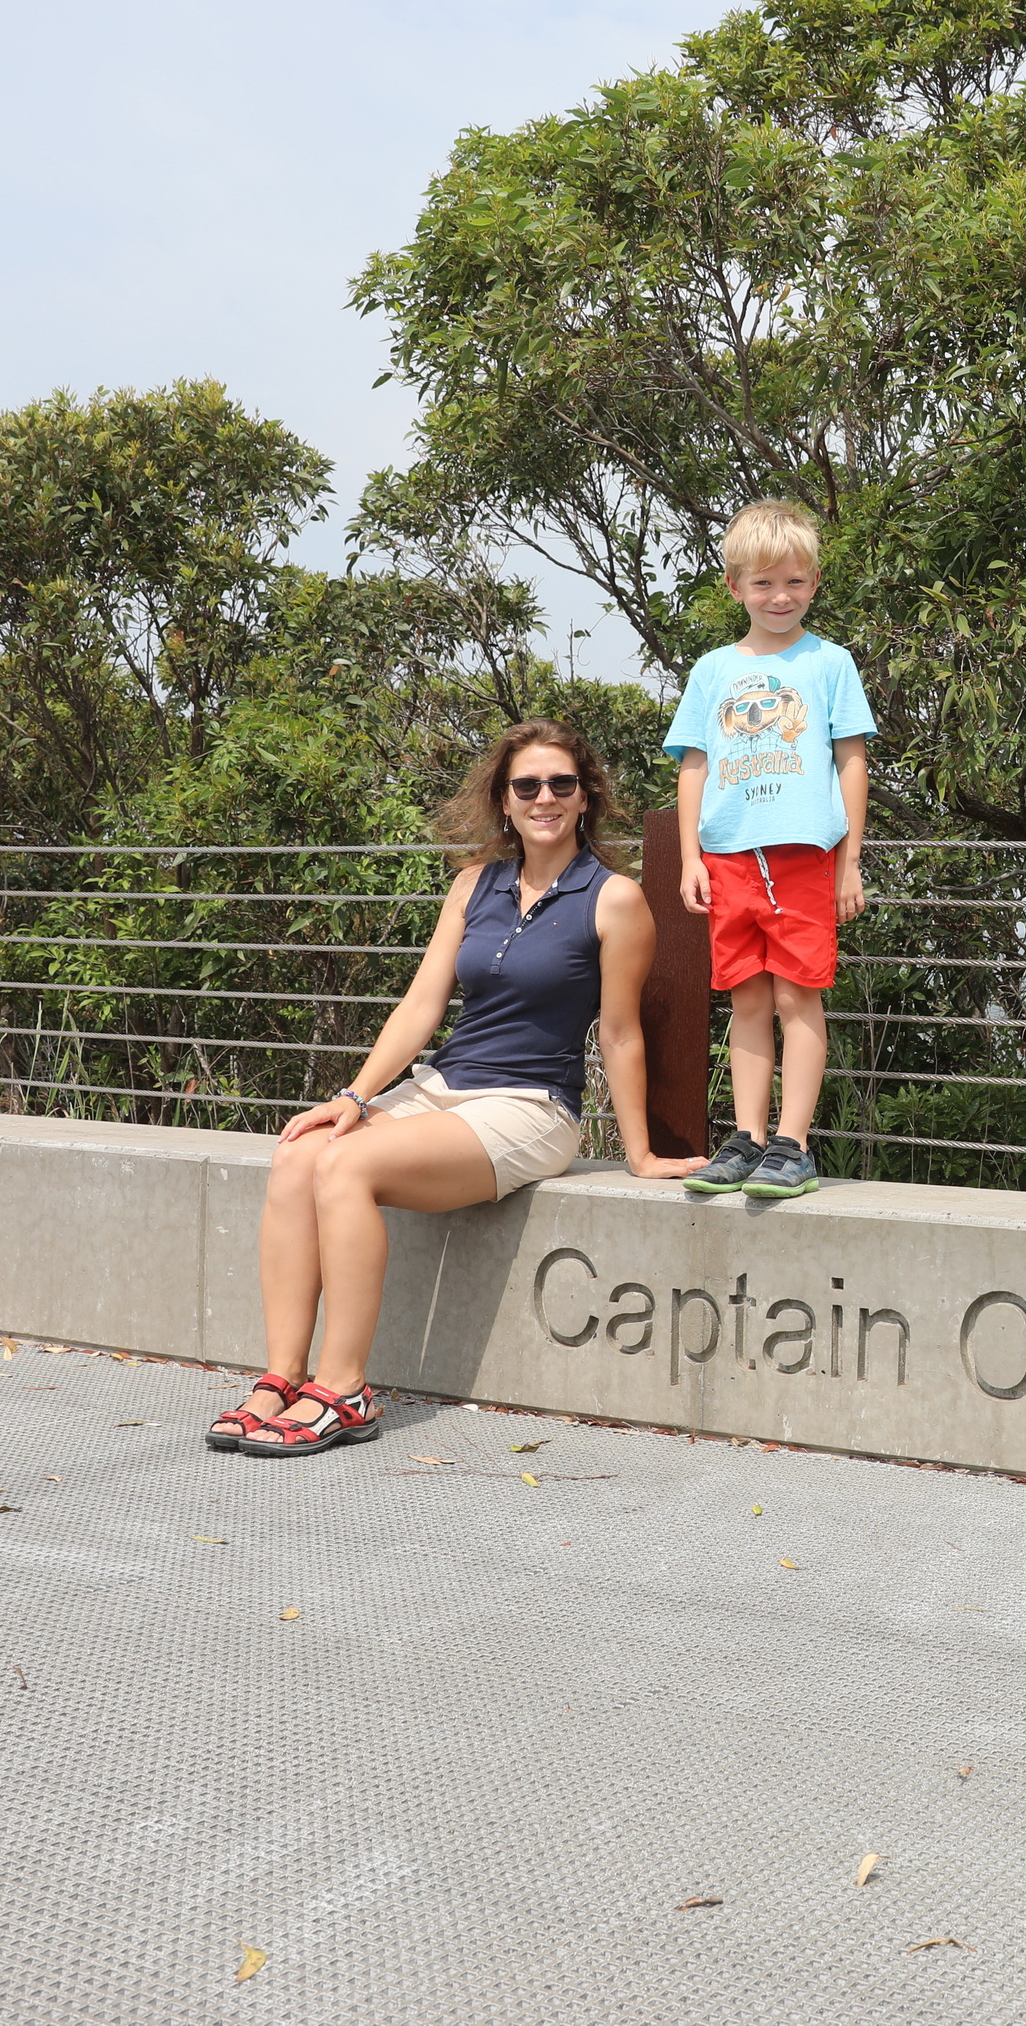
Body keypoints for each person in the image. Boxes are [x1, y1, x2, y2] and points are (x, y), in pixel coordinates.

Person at [212, 719, 701, 1458]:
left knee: (347, 1167)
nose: (544, 797)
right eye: (526, 785)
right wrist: (355, 1097)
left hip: (532, 1107)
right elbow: (421, 1006)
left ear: (585, 798)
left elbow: (620, 1033)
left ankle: (343, 1391)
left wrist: (641, 1152)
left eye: (560, 784)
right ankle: (281, 1380)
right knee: (301, 1154)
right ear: (504, 800)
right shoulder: (474, 884)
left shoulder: (615, 899)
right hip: (445, 1087)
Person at [664, 497, 877, 1200]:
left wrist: (849, 861)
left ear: (815, 583)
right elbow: (693, 764)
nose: (779, 596)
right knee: (747, 1000)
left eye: (794, 581)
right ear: (735, 587)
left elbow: (851, 762)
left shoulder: (830, 662)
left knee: (798, 997)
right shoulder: (712, 670)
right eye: (763, 583)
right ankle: (747, 1138)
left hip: (802, 856)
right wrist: (693, 858)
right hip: (730, 857)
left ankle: (793, 1142)